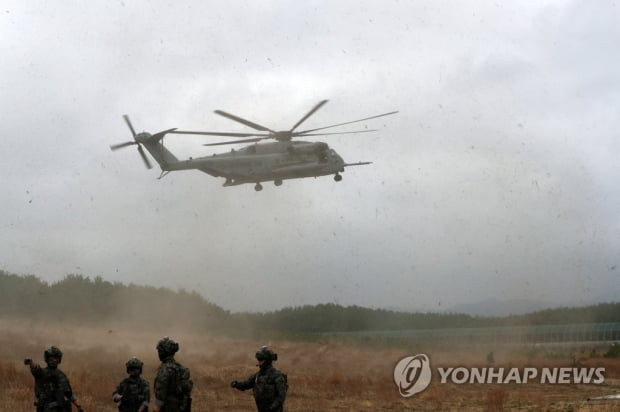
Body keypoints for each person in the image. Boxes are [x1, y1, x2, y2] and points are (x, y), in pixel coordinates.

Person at [25, 346, 83, 412]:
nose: (54, 360)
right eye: (52, 358)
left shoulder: (61, 374)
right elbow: (36, 369)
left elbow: (69, 393)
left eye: (56, 358)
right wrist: (31, 362)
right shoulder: (42, 373)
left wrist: (78, 406)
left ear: (59, 360)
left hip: (62, 408)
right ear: (47, 359)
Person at [231, 346, 287, 412]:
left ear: (267, 361)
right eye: (258, 359)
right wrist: (237, 384)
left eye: (261, 359)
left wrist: (271, 408)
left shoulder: (277, 376)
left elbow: (281, 396)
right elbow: (246, 384)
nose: (259, 362)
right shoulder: (258, 375)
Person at [152, 337, 193, 412]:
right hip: (181, 407)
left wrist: (156, 408)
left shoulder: (165, 369)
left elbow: (161, 393)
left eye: (160, 351)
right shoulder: (181, 368)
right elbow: (187, 391)